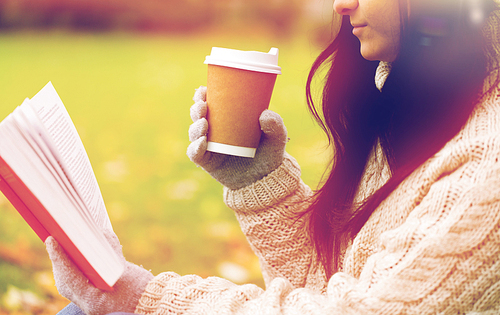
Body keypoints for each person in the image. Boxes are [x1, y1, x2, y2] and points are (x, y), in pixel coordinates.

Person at [48, 0, 500, 313]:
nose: (341, 5)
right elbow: (332, 283)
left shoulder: (487, 167)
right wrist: (259, 183)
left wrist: (144, 298)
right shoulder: (427, 114)